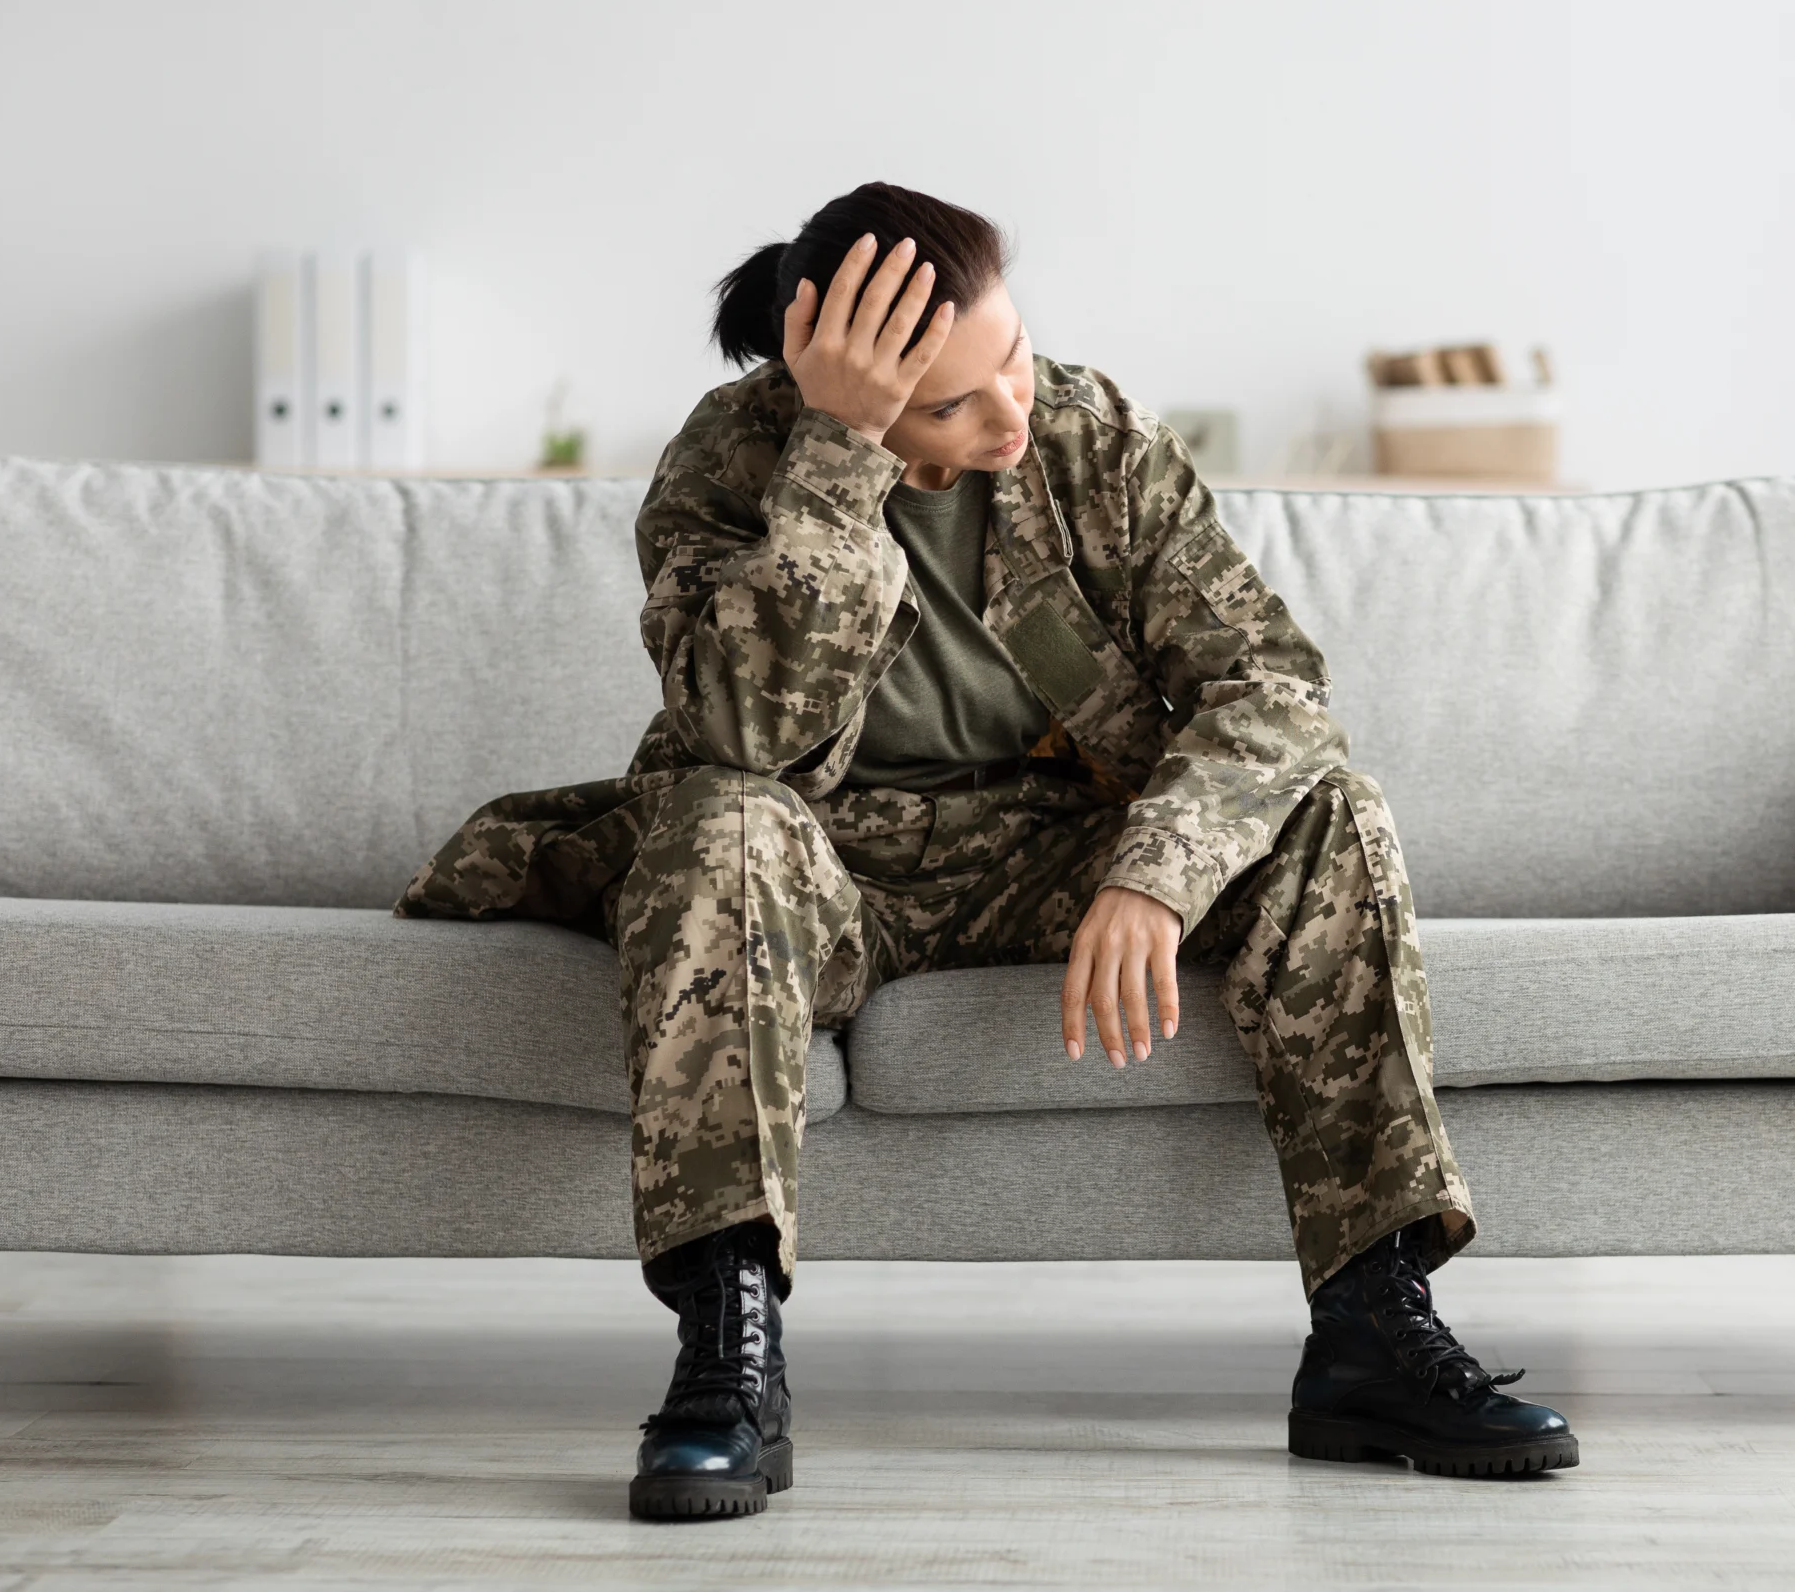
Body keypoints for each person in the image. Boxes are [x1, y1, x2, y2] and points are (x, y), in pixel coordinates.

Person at [396, 183, 1577, 1521]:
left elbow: (1274, 686)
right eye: (955, 403)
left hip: (1053, 847)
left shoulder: (1090, 436)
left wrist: (1157, 868)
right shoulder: (730, 464)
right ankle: (726, 1358)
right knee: (714, 821)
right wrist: (839, 460)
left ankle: (1374, 1327)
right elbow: (740, 729)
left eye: (1011, 355)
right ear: (843, 389)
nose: (1012, 411)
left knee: (1330, 808)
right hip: (826, 863)